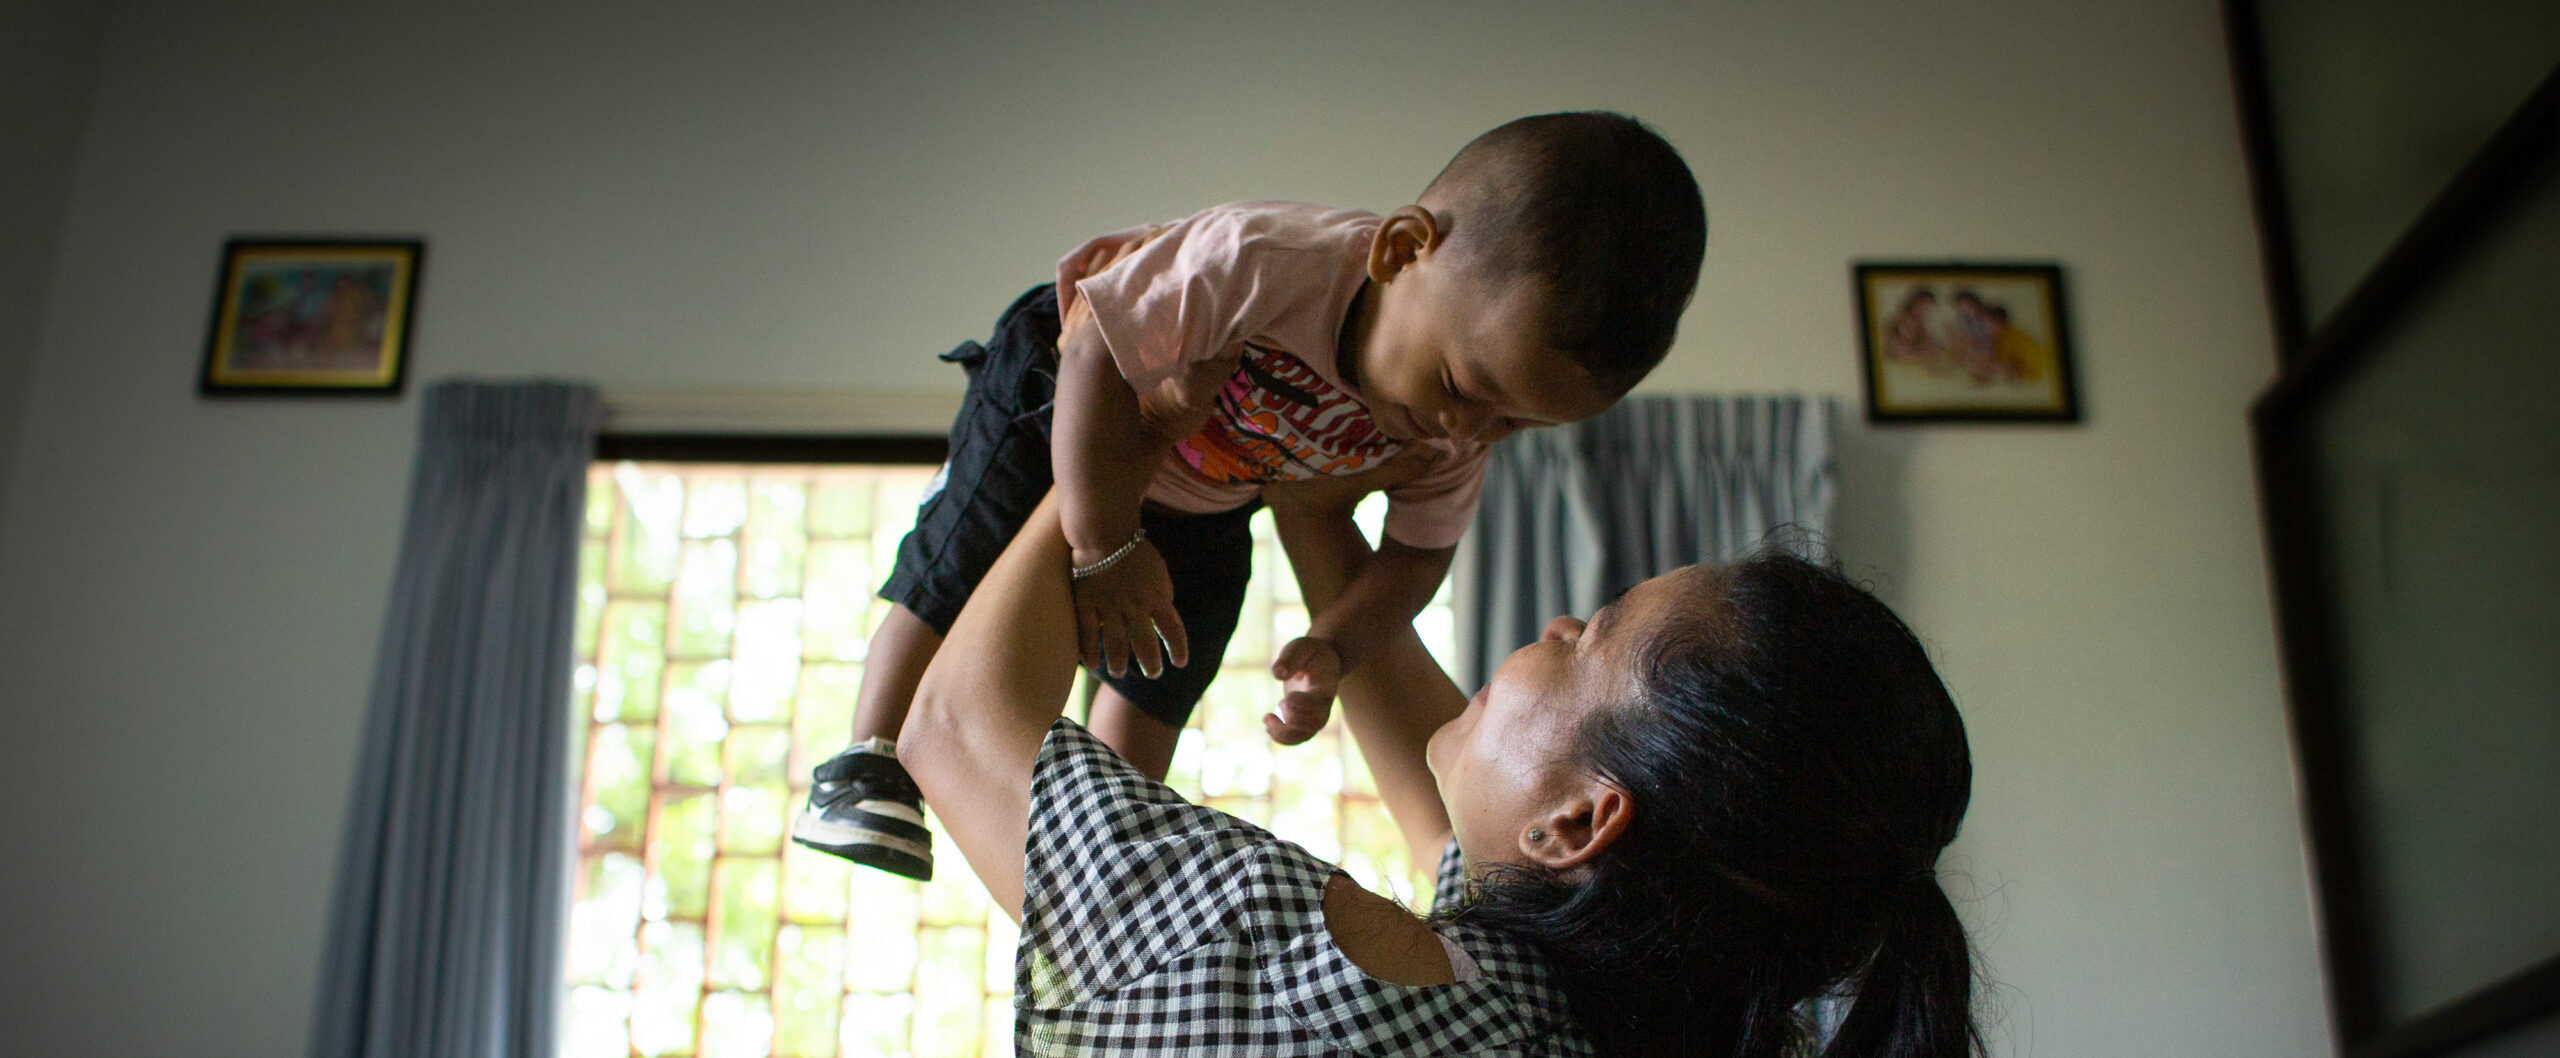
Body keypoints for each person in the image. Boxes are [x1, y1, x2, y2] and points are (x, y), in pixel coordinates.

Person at [792, 111, 1708, 881]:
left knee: (1179, 640)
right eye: (1466, 388)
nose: (1469, 430)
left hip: (1212, 493)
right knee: (967, 546)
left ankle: (1097, 841)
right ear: (1403, 250)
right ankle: (866, 759)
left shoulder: (1445, 432)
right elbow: (1096, 347)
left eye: (1516, 427)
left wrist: (1336, 644)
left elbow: (1418, 555)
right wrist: (1102, 543)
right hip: (1072, 405)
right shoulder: (1267, 262)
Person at [897, 467, 1987, 1057]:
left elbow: (954, 728)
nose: (1555, 624)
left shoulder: (1342, 984)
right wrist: (1313, 508)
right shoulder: (1590, 1010)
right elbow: (1469, 822)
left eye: (1589, 636)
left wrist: (1128, 450)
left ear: (1579, 821)